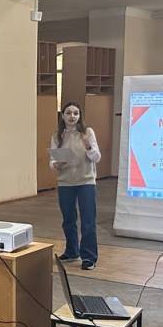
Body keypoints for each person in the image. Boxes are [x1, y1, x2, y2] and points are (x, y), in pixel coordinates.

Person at [49, 101, 100, 270]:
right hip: (65, 182)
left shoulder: (87, 132)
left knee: (88, 221)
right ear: (63, 116)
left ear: (80, 116)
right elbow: (52, 161)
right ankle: (72, 251)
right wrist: (56, 164)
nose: (72, 116)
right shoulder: (57, 135)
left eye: (76, 113)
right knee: (68, 220)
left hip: (86, 181)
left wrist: (88, 146)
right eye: (69, 113)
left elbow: (96, 157)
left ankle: (89, 257)